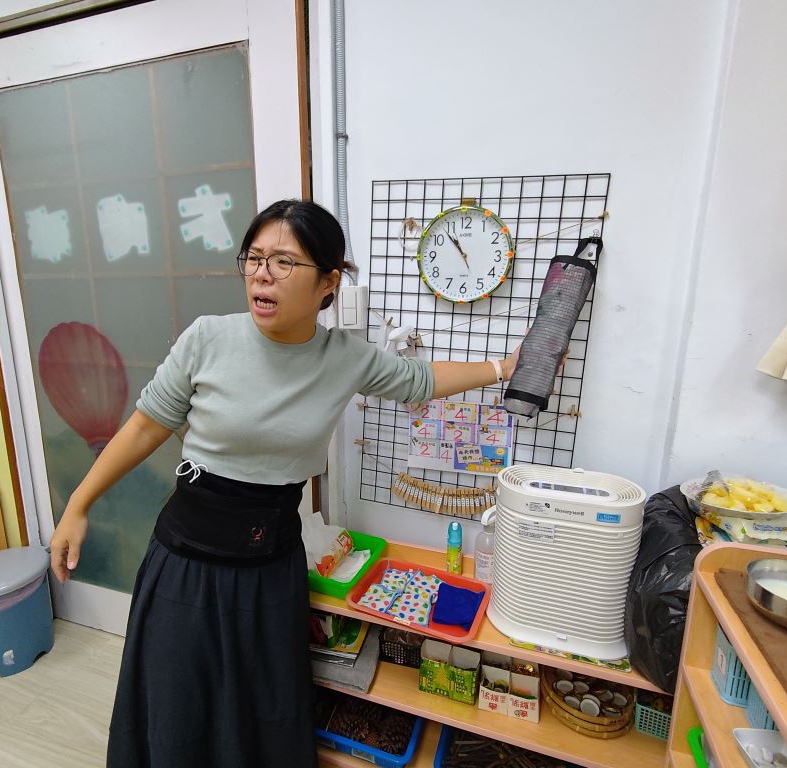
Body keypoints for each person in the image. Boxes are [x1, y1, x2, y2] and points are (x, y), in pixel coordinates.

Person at [49, 199, 522, 767]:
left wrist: (502, 369)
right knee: (176, 706)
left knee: (262, 709)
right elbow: (146, 427)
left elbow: (420, 379)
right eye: (254, 258)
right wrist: (78, 504)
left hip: (270, 566)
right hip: (186, 562)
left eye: (283, 261)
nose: (261, 274)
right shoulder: (207, 338)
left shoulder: (345, 357)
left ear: (328, 282)